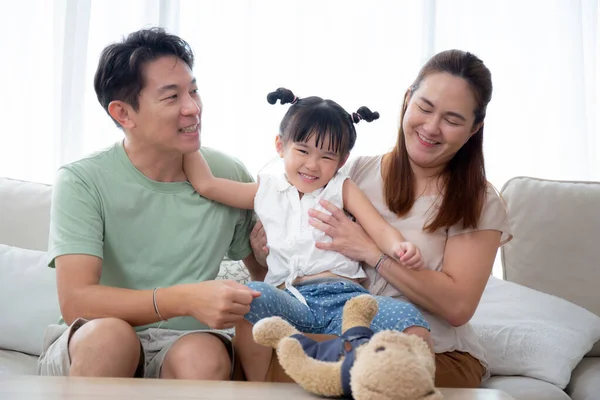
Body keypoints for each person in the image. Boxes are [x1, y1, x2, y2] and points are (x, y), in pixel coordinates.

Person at [251, 50, 512, 388]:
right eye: (425, 107)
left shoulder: (478, 200)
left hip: (432, 350)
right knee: (256, 351)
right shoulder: (351, 173)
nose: (431, 127)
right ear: (407, 100)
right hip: (341, 333)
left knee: (368, 376)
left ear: (474, 127)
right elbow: (297, 266)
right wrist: (261, 256)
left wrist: (372, 252)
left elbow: (458, 306)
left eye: (452, 119)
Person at [36, 27, 265, 380]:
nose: (193, 108)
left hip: (185, 340)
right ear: (123, 114)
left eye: (194, 91)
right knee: (112, 338)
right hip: (93, 336)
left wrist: (273, 255)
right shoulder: (82, 180)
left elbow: (263, 275)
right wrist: (184, 299)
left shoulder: (228, 175)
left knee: (202, 356)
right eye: (172, 97)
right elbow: (76, 301)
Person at [183, 87, 433, 381]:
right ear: (280, 145)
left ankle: (412, 386)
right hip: (291, 300)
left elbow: (378, 228)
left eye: (327, 157)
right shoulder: (266, 191)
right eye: (302, 151)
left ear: (341, 161)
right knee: (249, 297)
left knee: (411, 321)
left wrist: (400, 246)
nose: (312, 165)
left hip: (347, 304)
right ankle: (259, 385)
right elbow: (208, 185)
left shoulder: (341, 188)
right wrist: (185, 136)